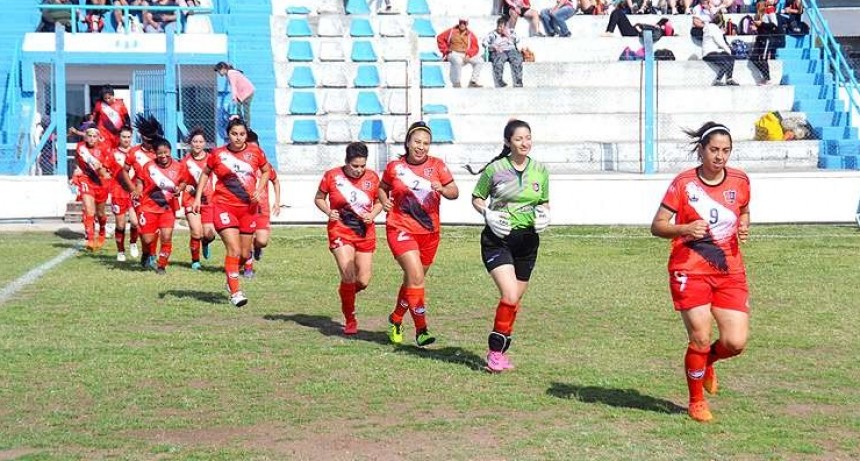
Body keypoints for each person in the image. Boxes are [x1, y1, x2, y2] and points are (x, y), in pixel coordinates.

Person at [650, 122, 751, 423]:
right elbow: (657, 226)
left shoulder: (740, 180)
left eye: (726, 150)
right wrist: (684, 228)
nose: (720, 156)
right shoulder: (683, 184)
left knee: (735, 342)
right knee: (700, 336)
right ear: (702, 150)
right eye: (714, 150)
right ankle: (696, 401)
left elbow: (743, 209)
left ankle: (707, 362)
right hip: (689, 270)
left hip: (729, 271)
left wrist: (745, 224)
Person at [468, 120, 550, 372]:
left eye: (528, 138)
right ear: (507, 142)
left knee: (514, 301)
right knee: (510, 294)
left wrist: (545, 215)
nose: (524, 143)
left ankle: (501, 351)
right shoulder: (495, 170)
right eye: (518, 139)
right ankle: (495, 351)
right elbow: (477, 198)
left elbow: (544, 202)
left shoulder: (540, 170)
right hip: (498, 240)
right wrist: (488, 214)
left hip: (527, 241)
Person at [379, 121, 459, 347]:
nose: (421, 147)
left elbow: (454, 191)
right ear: (408, 143)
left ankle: (395, 319)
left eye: (425, 143)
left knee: (413, 281)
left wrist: (443, 189)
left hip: (430, 232)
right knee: (415, 276)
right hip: (400, 227)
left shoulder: (437, 166)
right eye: (417, 142)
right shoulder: (395, 167)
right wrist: (384, 202)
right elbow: (383, 187)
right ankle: (421, 329)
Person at [192, 118, 272, 307]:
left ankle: (230, 278)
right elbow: (205, 173)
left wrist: (259, 190)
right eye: (234, 134)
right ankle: (236, 292)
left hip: (248, 209)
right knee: (233, 249)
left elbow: (267, 171)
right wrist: (197, 197)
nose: (238, 138)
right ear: (228, 134)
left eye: (242, 134)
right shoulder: (218, 154)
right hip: (224, 207)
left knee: (244, 254)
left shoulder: (255, 152)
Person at [314, 142, 383, 335]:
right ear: (346, 162)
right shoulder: (332, 176)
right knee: (349, 275)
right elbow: (319, 198)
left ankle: (346, 292)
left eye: (362, 166)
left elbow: (379, 201)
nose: (359, 170)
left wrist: (374, 213)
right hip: (340, 231)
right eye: (355, 166)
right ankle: (350, 318)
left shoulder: (372, 177)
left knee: (363, 280)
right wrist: (328, 211)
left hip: (364, 232)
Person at [134, 137, 192, 274]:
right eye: (160, 153)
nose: (163, 155)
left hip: (168, 207)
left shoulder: (179, 166)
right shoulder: (149, 166)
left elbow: (184, 182)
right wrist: (138, 190)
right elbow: (140, 180)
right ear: (155, 153)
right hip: (149, 206)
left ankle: (161, 265)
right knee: (147, 239)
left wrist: (180, 188)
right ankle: (147, 252)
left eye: (166, 152)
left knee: (166, 236)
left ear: (170, 151)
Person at [242, 130, 280, 278]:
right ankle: (248, 269)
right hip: (245, 209)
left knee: (262, 241)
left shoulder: (266, 167)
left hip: (262, 210)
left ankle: (257, 248)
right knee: (247, 239)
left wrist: (277, 202)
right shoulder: (242, 168)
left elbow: (275, 181)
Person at [75, 127, 119, 250]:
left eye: (95, 136)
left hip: (101, 183)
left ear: (98, 137)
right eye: (89, 135)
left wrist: (101, 168)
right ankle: (90, 239)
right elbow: (77, 159)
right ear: (85, 136)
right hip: (86, 179)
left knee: (100, 213)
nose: (92, 138)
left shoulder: (104, 149)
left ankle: (102, 230)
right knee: (89, 210)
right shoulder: (80, 147)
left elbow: (107, 170)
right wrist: (78, 169)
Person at [181, 128, 216, 270]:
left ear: (205, 143)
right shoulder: (185, 162)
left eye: (201, 141)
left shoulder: (211, 159)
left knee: (209, 234)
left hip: (208, 200)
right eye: (195, 141)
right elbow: (178, 180)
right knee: (196, 231)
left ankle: (206, 242)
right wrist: (185, 187)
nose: (197, 144)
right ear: (190, 143)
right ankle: (195, 261)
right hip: (190, 199)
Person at [110, 126, 141, 262]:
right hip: (118, 192)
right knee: (121, 225)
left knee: (135, 222)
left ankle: (133, 243)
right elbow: (105, 169)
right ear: (119, 137)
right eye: (124, 137)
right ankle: (120, 251)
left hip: (133, 191)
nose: (126, 139)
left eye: (128, 137)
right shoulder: (112, 153)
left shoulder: (136, 152)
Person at [436, 18, 484, 88]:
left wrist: (469, 55)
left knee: (480, 60)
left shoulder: (470, 34)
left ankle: (473, 81)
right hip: (453, 53)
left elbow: (475, 47)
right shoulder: (451, 31)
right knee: (458, 61)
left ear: (467, 24)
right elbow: (440, 38)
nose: (462, 24)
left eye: (464, 23)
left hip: (465, 54)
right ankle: (456, 83)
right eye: (461, 23)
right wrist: (445, 50)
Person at [483, 17, 524, 88]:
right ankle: (499, 81)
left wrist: (509, 36)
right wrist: (493, 46)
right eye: (499, 26)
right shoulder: (493, 34)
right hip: (499, 51)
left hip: (511, 50)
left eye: (502, 27)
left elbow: (517, 40)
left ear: (505, 27)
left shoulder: (511, 32)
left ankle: (518, 80)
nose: (500, 28)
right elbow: (484, 42)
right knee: (498, 60)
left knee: (517, 59)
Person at [214, 62, 256, 127]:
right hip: (243, 92)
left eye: (219, 71)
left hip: (247, 92)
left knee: (245, 110)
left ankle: (247, 127)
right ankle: (241, 124)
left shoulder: (231, 73)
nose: (219, 73)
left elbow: (233, 86)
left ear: (223, 69)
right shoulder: (230, 73)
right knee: (238, 109)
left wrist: (234, 98)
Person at [702, 13, 738, 87]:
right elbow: (721, 43)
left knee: (730, 58)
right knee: (727, 62)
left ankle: (729, 79)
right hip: (709, 53)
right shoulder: (713, 28)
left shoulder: (712, 27)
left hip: (715, 51)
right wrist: (729, 51)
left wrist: (721, 32)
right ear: (721, 22)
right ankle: (717, 80)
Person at [93, 86, 130, 150]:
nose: (107, 100)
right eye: (105, 98)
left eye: (109, 98)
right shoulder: (99, 105)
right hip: (104, 134)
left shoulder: (120, 104)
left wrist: (126, 130)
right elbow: (95, 119)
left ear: (113, 95)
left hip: (117, 134)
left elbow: (127, 119)